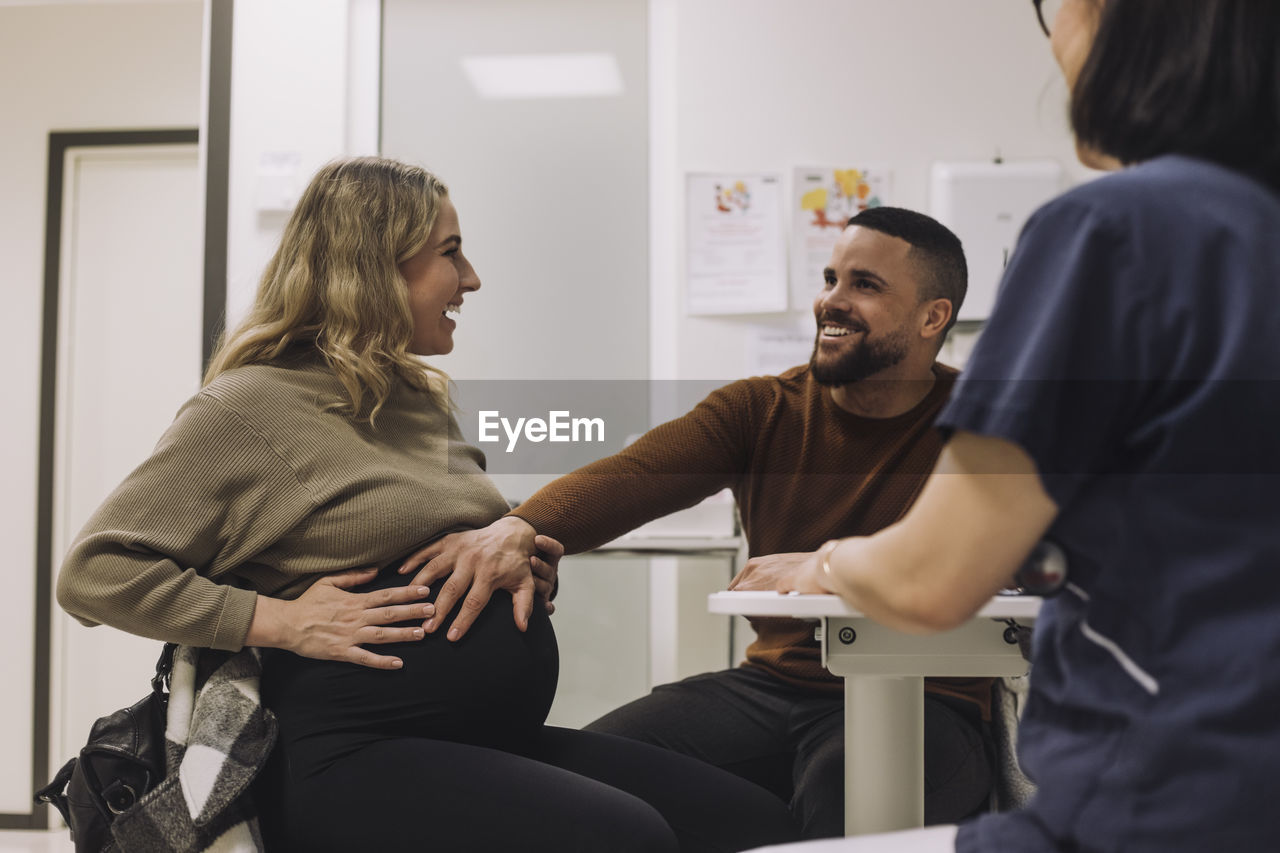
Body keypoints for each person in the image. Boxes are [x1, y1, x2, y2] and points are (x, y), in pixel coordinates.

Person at [55, 156, 800, 853]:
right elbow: (95, 572)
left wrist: (520, 560)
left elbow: (432, 536)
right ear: (372, 266)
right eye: (450, 252)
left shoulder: (415, 398)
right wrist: (277, 618)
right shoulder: (250, 406)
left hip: (477, 737)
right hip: (347, 753)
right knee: (626, 837)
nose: (471, 278)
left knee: (755, 822)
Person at [753, 1, 1280, 851]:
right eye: (830, 277)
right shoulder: (1249, 233)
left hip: (1164, 800)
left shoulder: (1114, 231)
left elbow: (932, 580)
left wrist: (826, 560)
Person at [404, 206, 989, 838]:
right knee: (576, 786)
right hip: (771, 684)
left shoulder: (988, 426)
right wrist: (518, 528)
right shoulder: (763, 408)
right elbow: (633, 477)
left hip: (927, 696)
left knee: (847, 799)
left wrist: (827, 567)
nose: (832, 302)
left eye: (865, 285)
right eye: (829, 279)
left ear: (934, 316)